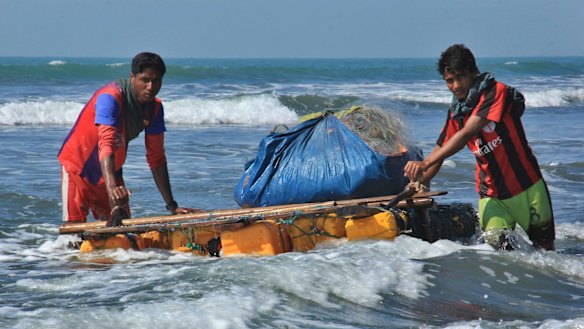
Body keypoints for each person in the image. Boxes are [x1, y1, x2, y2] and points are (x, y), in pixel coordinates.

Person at [403, 44, 555, 250]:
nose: (456, 86)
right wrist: (420, 180)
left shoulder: (496, 92)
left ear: (474, 73)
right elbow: (440, 150)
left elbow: (467, 132)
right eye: (449, 80)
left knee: (545, 253)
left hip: (528, 188)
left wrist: (424, 163)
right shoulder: (456, 113)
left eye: (461, 77)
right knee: (501, 256)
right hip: (492, 197)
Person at [58, 52, 191, 226]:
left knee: (123, 235)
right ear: (132, 78)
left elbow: (156, 158)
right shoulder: (110, 97)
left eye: (156, 81)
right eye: (145, 80)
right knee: (73, 237)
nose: (151, 87)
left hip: (112, 172)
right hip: (78, 169)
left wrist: (172, 206)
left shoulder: (155, 109)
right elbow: (106, 144)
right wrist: (112, 189)